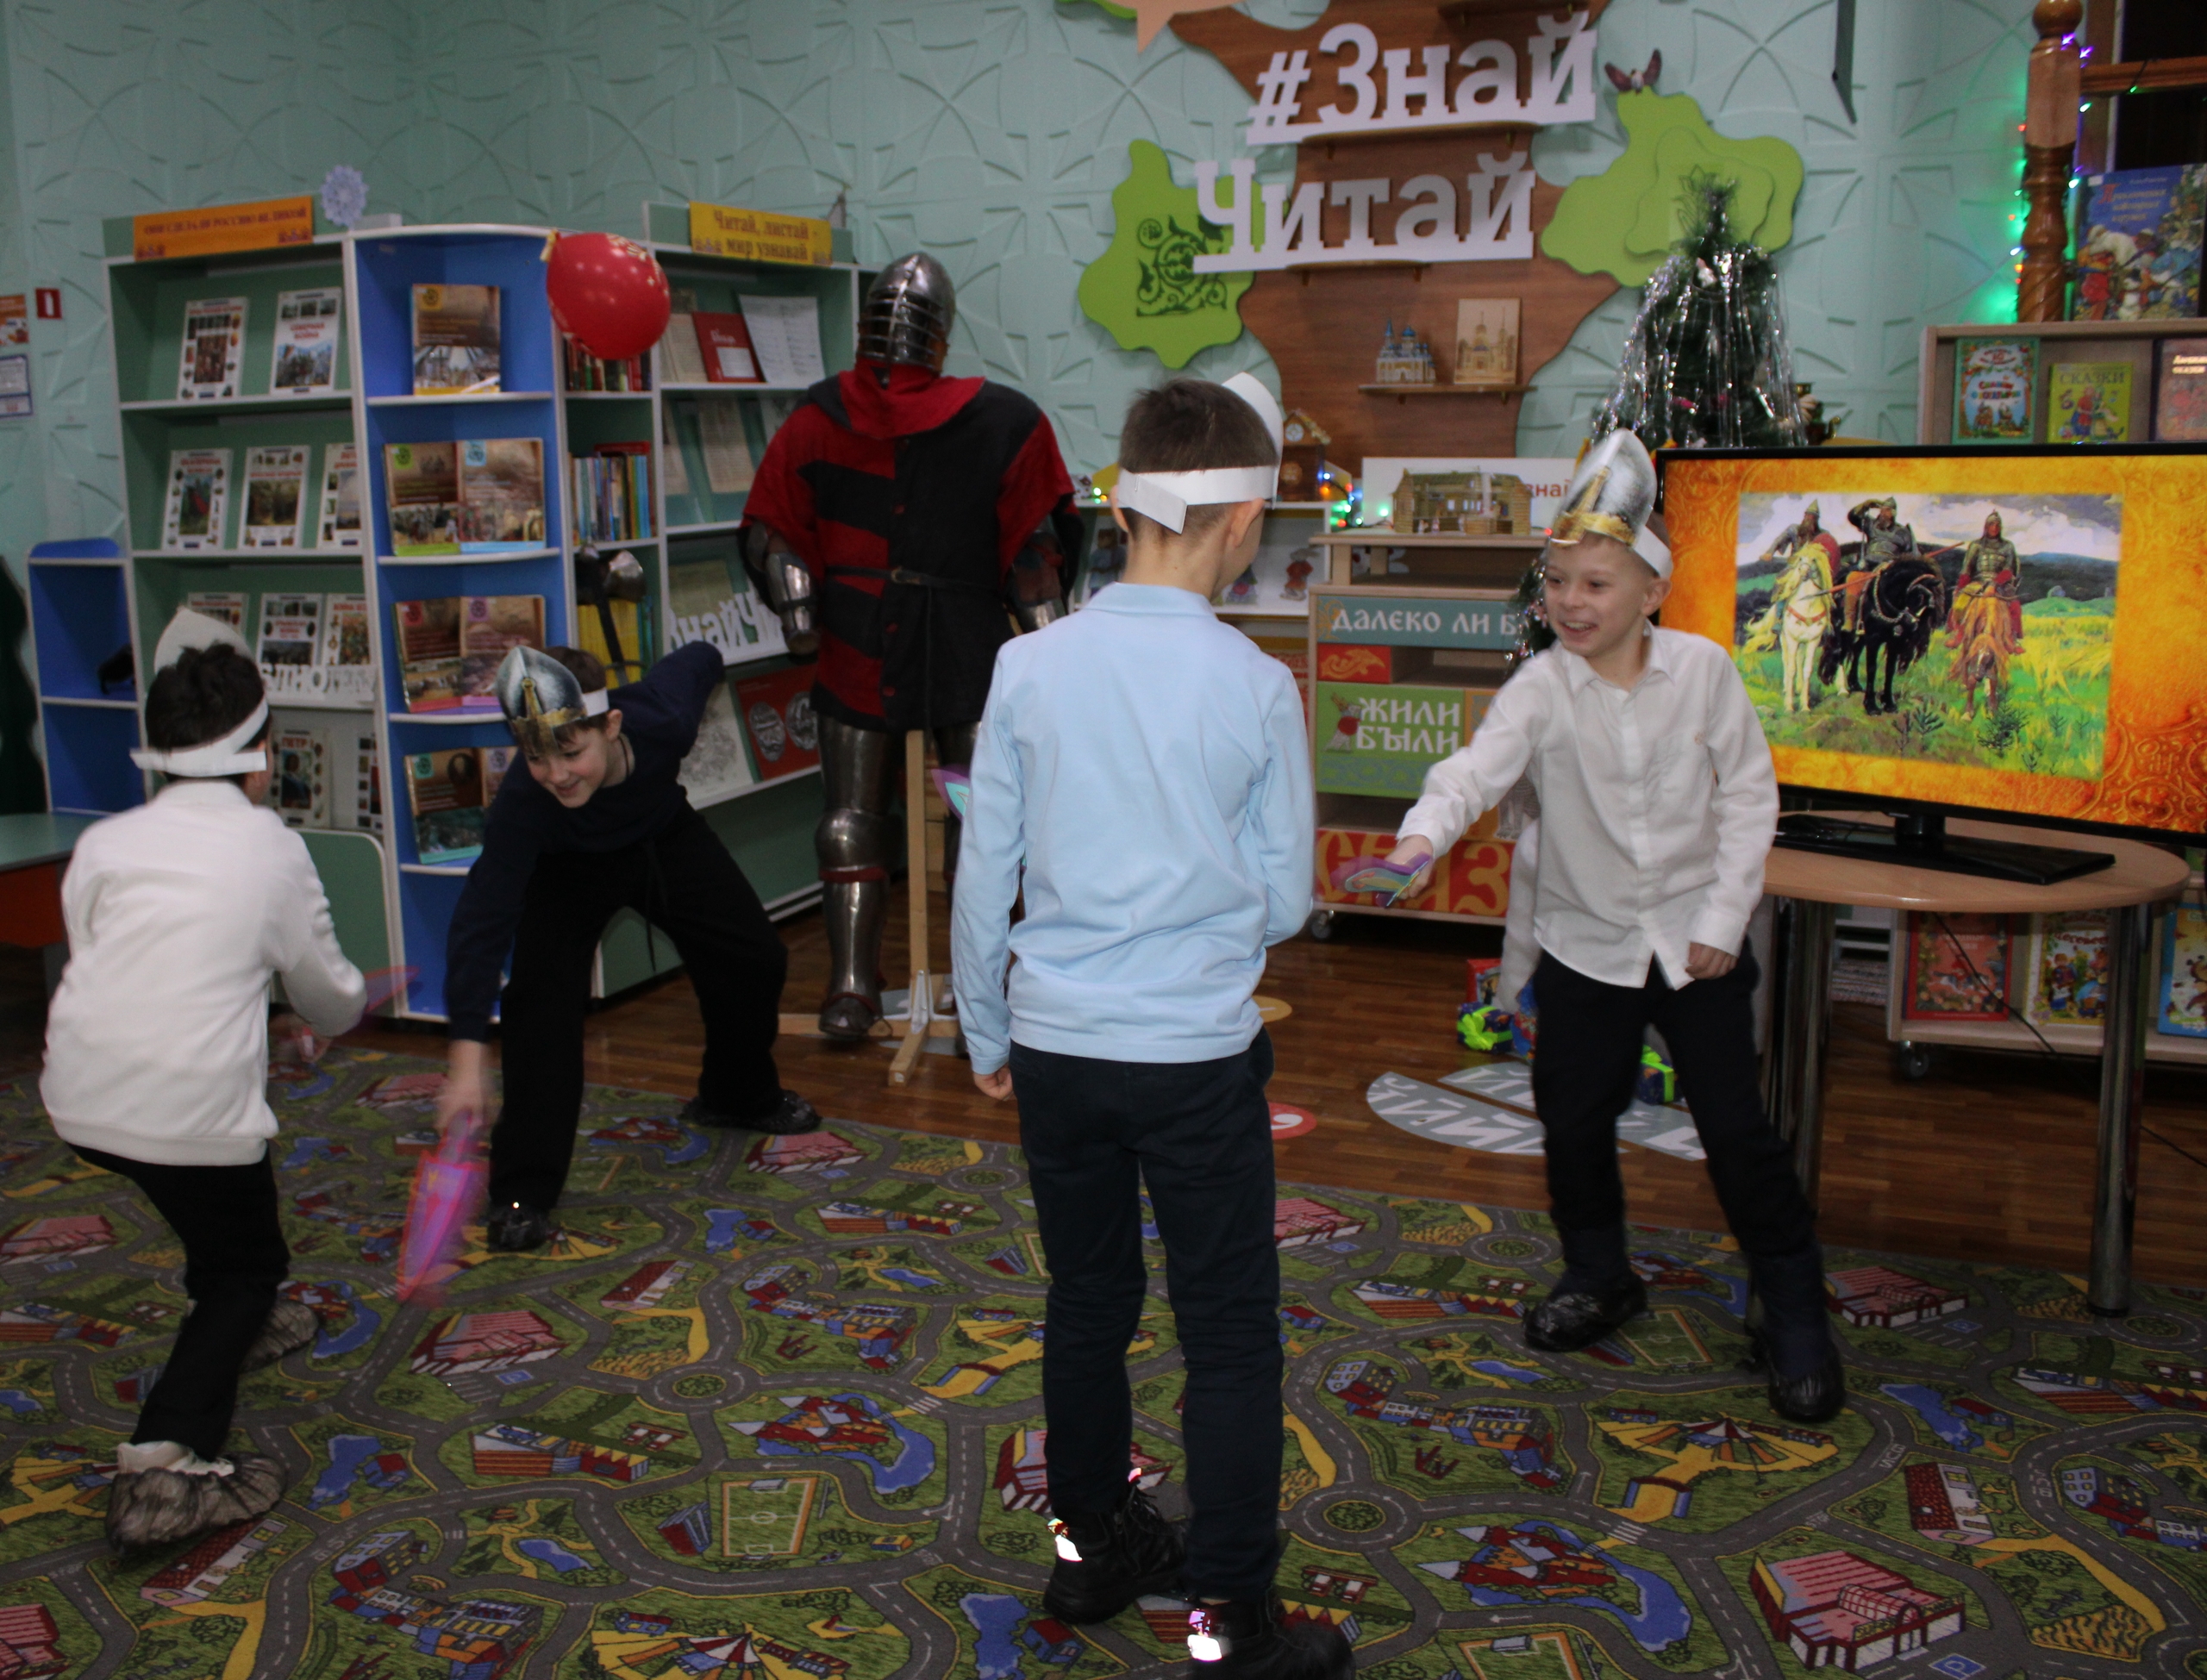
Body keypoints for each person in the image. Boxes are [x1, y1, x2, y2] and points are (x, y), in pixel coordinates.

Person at [953, 376, 1347, 1678]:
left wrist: (985, 1032)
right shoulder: (1256, 684)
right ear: (1243, 524)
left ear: (1121, 509)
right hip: (1192, 1061)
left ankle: (1090, 1549)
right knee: (1227, 1329)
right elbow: (1283, 899)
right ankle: (1230, 1617)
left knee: (1085, 1299)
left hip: (1056, 1049)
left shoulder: (1027, 665)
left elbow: (986, 874)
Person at [1384, 429, 1844, 1426]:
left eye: (1596, 583)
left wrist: (1722, 916)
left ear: (1651, 592)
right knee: (1573, 1118)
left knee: (1735, 1132)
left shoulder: (1704, 672)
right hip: (1583, 948)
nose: (1571, 601)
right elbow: (1471, 773)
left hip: (1694, 946)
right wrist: (1420, 838)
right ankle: (1598, 1272)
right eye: (1557, 581)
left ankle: (1795, 1308)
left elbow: (1748, 798)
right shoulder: (1540, 688)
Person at [41, 610, 366, 1552]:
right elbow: (334, 998)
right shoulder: (271, 846)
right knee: (246, 1265)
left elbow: (129, 966)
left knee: (210, 1212)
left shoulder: (106, 842)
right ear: (261, 755)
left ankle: (234, 1317)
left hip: (77, 1094)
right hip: (187, 1110)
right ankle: (165, 1460)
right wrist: (314, 1010)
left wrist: (257, 1017)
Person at [741, 253, 1082, 1040]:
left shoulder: (985, 421)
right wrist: (1052, 645)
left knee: (967, 820)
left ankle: (960, 991)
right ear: (942, 334)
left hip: (932, 640)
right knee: (908, 822)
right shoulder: (996, 418)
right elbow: (1036, 551)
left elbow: (772, 529)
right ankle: (867, 986)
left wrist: (798, 608)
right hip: (901, 641)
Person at [439, 642, 817, 1252]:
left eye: (571, 752)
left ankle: (736, 1094)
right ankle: (522, 1191)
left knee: (754, 956)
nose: (557, 774)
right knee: (540, 1008)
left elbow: (701, 656)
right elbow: (482, 919)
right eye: (536, 757)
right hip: (563, 868)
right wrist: (465, 1052)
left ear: (611, 725)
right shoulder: (525, 803)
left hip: (659, 837)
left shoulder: (663, 717)